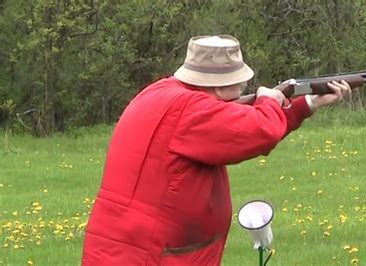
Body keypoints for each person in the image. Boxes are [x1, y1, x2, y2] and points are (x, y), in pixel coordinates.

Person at [82, 35, 351, 265]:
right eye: (236, 84)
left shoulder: (161, 93)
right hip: (150, 254)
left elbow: (236, 126)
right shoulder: (190, 110)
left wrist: (307, 104)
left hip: (128, 247)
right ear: (218, 87)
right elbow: (261, 130)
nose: (242, 88)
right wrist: (269, 100)